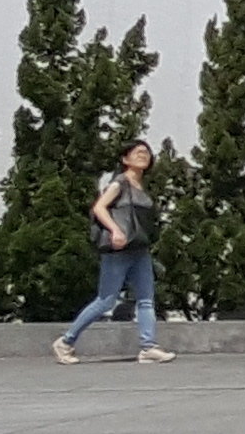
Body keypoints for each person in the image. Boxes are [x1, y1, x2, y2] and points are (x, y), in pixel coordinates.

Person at [56, 139, 174, 364]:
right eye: (137, 152)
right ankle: (66, 341)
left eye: (146, 153)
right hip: (118, 250)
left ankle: (148, 346)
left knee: (146, 299)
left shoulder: (141, 186)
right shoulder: (119, 183)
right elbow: (99, 207)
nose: (144, 155)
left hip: (139, 249)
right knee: (105, 300)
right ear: (125, 159)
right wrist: (115, 230)